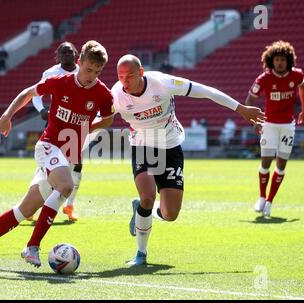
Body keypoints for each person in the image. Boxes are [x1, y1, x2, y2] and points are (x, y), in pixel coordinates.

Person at [0, 40, 114, 269]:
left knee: (23, 211)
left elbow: (109, 118)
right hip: (48, 146)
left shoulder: (102, 92)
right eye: (88, 69)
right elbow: (28, 93)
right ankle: (32, 245)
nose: (91, 75)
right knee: (66, 186)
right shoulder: (60, 81)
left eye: (97, 71)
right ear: (79, 62)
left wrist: (89, 127)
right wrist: (7, 116)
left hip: (69, 156)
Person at [111, 54, 265, 266]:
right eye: (120, 76)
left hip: (171, 146)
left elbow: (207, 92)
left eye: (129, 76)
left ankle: (140, 210)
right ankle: (141, 254)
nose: (124, 81)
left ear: (141, 73)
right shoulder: (116, 94)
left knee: (170, 214)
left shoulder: (163, 83)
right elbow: (101, 116)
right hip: (143, 146)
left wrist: (241, 108)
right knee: (147, 196)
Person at [245, 40, 304, 217]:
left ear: (288, 60)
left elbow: (303, 88)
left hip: (288, 126)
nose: (280, 62)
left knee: (281, 165)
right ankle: (262, 197)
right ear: (271, 60)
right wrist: (255, 121)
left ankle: (270, 201)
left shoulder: (296, 75)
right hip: (269, 124)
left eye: (283, 59)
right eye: (277, 59)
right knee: (265, 163)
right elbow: (249, 100)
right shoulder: (264, 78)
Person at [31, 41, 81, 222]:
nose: (67, 55)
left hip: (76, 127)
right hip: (56, 125)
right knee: (46, 168)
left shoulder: (82, 72)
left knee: (76, 166)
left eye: (70, 51)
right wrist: (41, 110)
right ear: (58, 56)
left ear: (76, 54)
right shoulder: (51, 73)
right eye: (63, 52)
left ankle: (69, 205)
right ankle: (32, 205)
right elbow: (36, 94)